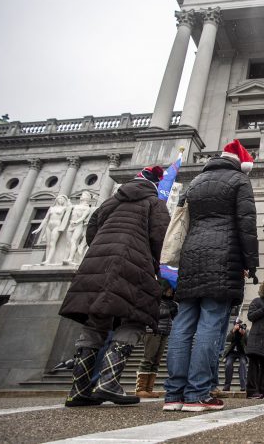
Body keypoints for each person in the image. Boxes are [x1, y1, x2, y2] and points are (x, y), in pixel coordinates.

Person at [60, 165, 170, 406]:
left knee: (96, 320)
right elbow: (160, 239)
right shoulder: (155, 204)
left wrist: (101, 251)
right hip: (133, 264)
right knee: (134, 319)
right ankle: (108, 382)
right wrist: (156, 267)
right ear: (155, 186)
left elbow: (91, 229)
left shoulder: (111, 201)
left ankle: (79, 390)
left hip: (96, 264)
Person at [162, 140, 259, 412]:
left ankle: (173, 394)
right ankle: (197, 393)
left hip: (191, 258)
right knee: (210, 325)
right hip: (224, 258)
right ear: (240, 163)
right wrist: (251, 263)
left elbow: (181, 221)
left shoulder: (195, 182)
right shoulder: (239, 180)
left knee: (182, 325)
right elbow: (246, 224)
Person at [135, 279, 178, 398]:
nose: (171, 291)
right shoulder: (154, 300)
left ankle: (149, 388)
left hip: (164, 332)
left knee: (156, 361)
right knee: (148, 358)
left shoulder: (171, 303)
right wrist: (168, 311)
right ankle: (141, 388)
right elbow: (154, 314)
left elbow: (173, 317)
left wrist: (173, 310)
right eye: (168, 288)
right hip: (153, 331)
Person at [33, 194, 72, 264]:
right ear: (57, 199)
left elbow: (70, 208)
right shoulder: (51, 208)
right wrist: (39, 228)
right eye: (60, 198)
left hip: (57, 225)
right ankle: (47, 260)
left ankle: (48, 260)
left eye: (63, 199)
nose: (61, 200)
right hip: (49, 226)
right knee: (48, 244)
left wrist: (69, 202)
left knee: (52, 243)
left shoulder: (64, 208)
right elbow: (45, 219)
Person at [65, 191, 96, 264]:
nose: (81, 196)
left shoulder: (87, 208)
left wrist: (76, 221)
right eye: (82, 195)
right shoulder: (75, 206)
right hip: (71, 225)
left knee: (73, 241)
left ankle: (71, 258)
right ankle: (65, 258)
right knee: (68, 242)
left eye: (83, 195)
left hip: (78, 225)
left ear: (87, 198)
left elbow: (83, 217)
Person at [222, 319, 248, 392]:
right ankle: (227, 385)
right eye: (237, 324)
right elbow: (228, 339)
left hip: (242, 352)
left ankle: (243, 385)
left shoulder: (245, 330)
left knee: (243, 363)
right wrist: (233, 330)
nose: (239, 325)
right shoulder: (232, 331)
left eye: (239, 324)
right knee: (228, 364)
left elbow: (247, 341)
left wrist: (244, 334)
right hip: (232, 352)